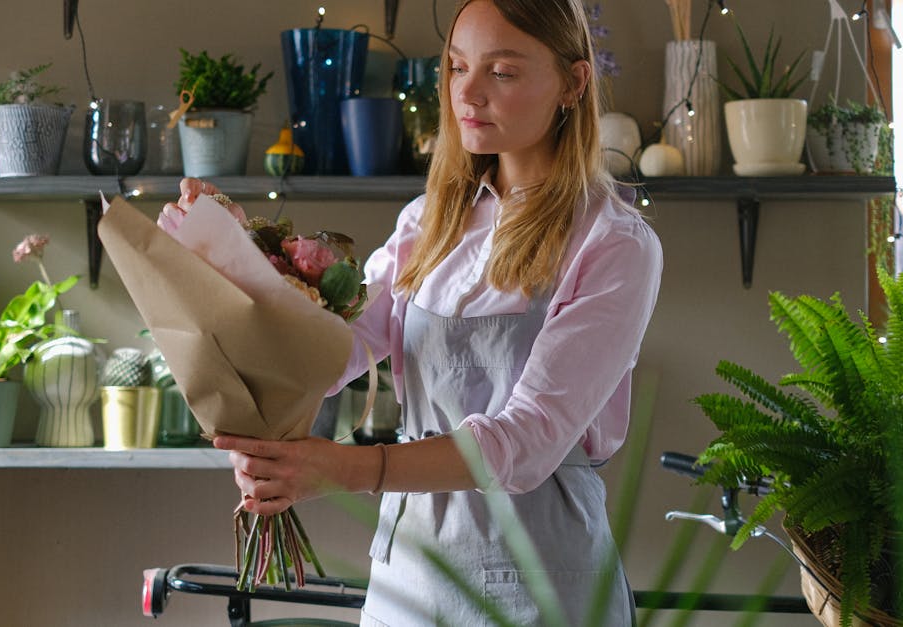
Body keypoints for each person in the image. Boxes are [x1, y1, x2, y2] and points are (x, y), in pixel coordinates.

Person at [159, 0, 662, 623]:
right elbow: (329, 352)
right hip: (411, 580)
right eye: (456, 68)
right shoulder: (429, 223)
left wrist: (341, 469)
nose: (468, 94)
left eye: (501, 72)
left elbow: (527, 442)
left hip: (542, 581)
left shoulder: (612, 242)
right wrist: (234, 250)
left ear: (573, 83)